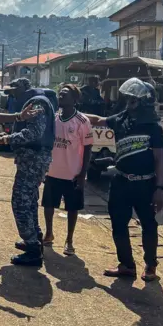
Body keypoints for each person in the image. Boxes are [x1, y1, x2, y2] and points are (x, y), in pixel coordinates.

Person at [86, 78, 163, 282]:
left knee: (148, 224)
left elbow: (159, 159)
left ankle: (150, 265)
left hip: (146, 183)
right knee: (118, 223)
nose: (128, 102)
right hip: (121, 181)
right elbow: (99, 120)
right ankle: (127, 265)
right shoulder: (122, 119)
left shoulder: (154, 128)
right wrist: (76, 115)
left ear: (144, 102)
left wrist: (159, 188)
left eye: (133, 100)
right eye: (128, 99)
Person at [0, 88, 56, 266]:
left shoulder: (36, 104)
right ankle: (34, 238)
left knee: (20, 201)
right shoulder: (43, 102)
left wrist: (6, 139)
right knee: (29, 200)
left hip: (32, 160)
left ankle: (33, 250)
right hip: (35, 161)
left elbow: (34, 133)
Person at [42, 84, 93, 255]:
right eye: (60, 94)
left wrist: (82, 174)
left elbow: (87, 149)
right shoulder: (54, 118)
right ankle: (49, 234)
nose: (60, 97)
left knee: (72, 208)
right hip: (52, 171)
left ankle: (69, 240)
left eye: (65, 94)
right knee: (48, 205)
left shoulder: (82, 121)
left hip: (72, 174)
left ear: (75, 99)